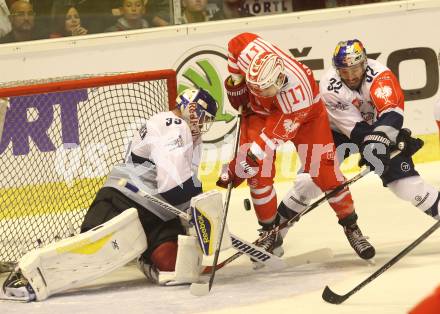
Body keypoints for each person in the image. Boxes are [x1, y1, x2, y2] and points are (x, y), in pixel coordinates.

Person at [2, 88, 219, 301]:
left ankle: (141, 252)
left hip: (157, 211)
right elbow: (172, 190)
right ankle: (26, 273)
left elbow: (182, 191)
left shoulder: (191, 139)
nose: (202, 125)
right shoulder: (173, 124)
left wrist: (197, 210)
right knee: (90, 255)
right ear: (191, 108)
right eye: (203, 117)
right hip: (125, 199)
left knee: (178, 266)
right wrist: (202, 208)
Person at [217, 32, 374, 262]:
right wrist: (237, 83)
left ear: (279, 81)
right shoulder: (248, 51)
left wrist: (235, 168)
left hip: (307, 117)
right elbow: (234, 46)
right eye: (255, 89)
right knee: (257, 175)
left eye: (264, 90)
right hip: (260, 115)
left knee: (325, 172)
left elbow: (262, 148)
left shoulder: (295, 98)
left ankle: (352, 228)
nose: (259, 94)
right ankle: (270, 233)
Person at [278, 39, 440, 255]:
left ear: (364, 63)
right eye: (344, 71)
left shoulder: (381, 75)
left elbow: (392, 113)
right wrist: (379, 145)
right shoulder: (329, 85)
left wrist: (385, 141)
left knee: (407, 186)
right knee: (309, 181)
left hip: (377, 129)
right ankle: (274, 233)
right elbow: (355, 130)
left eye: (355, 68)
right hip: (336, 133)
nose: (351, 76)